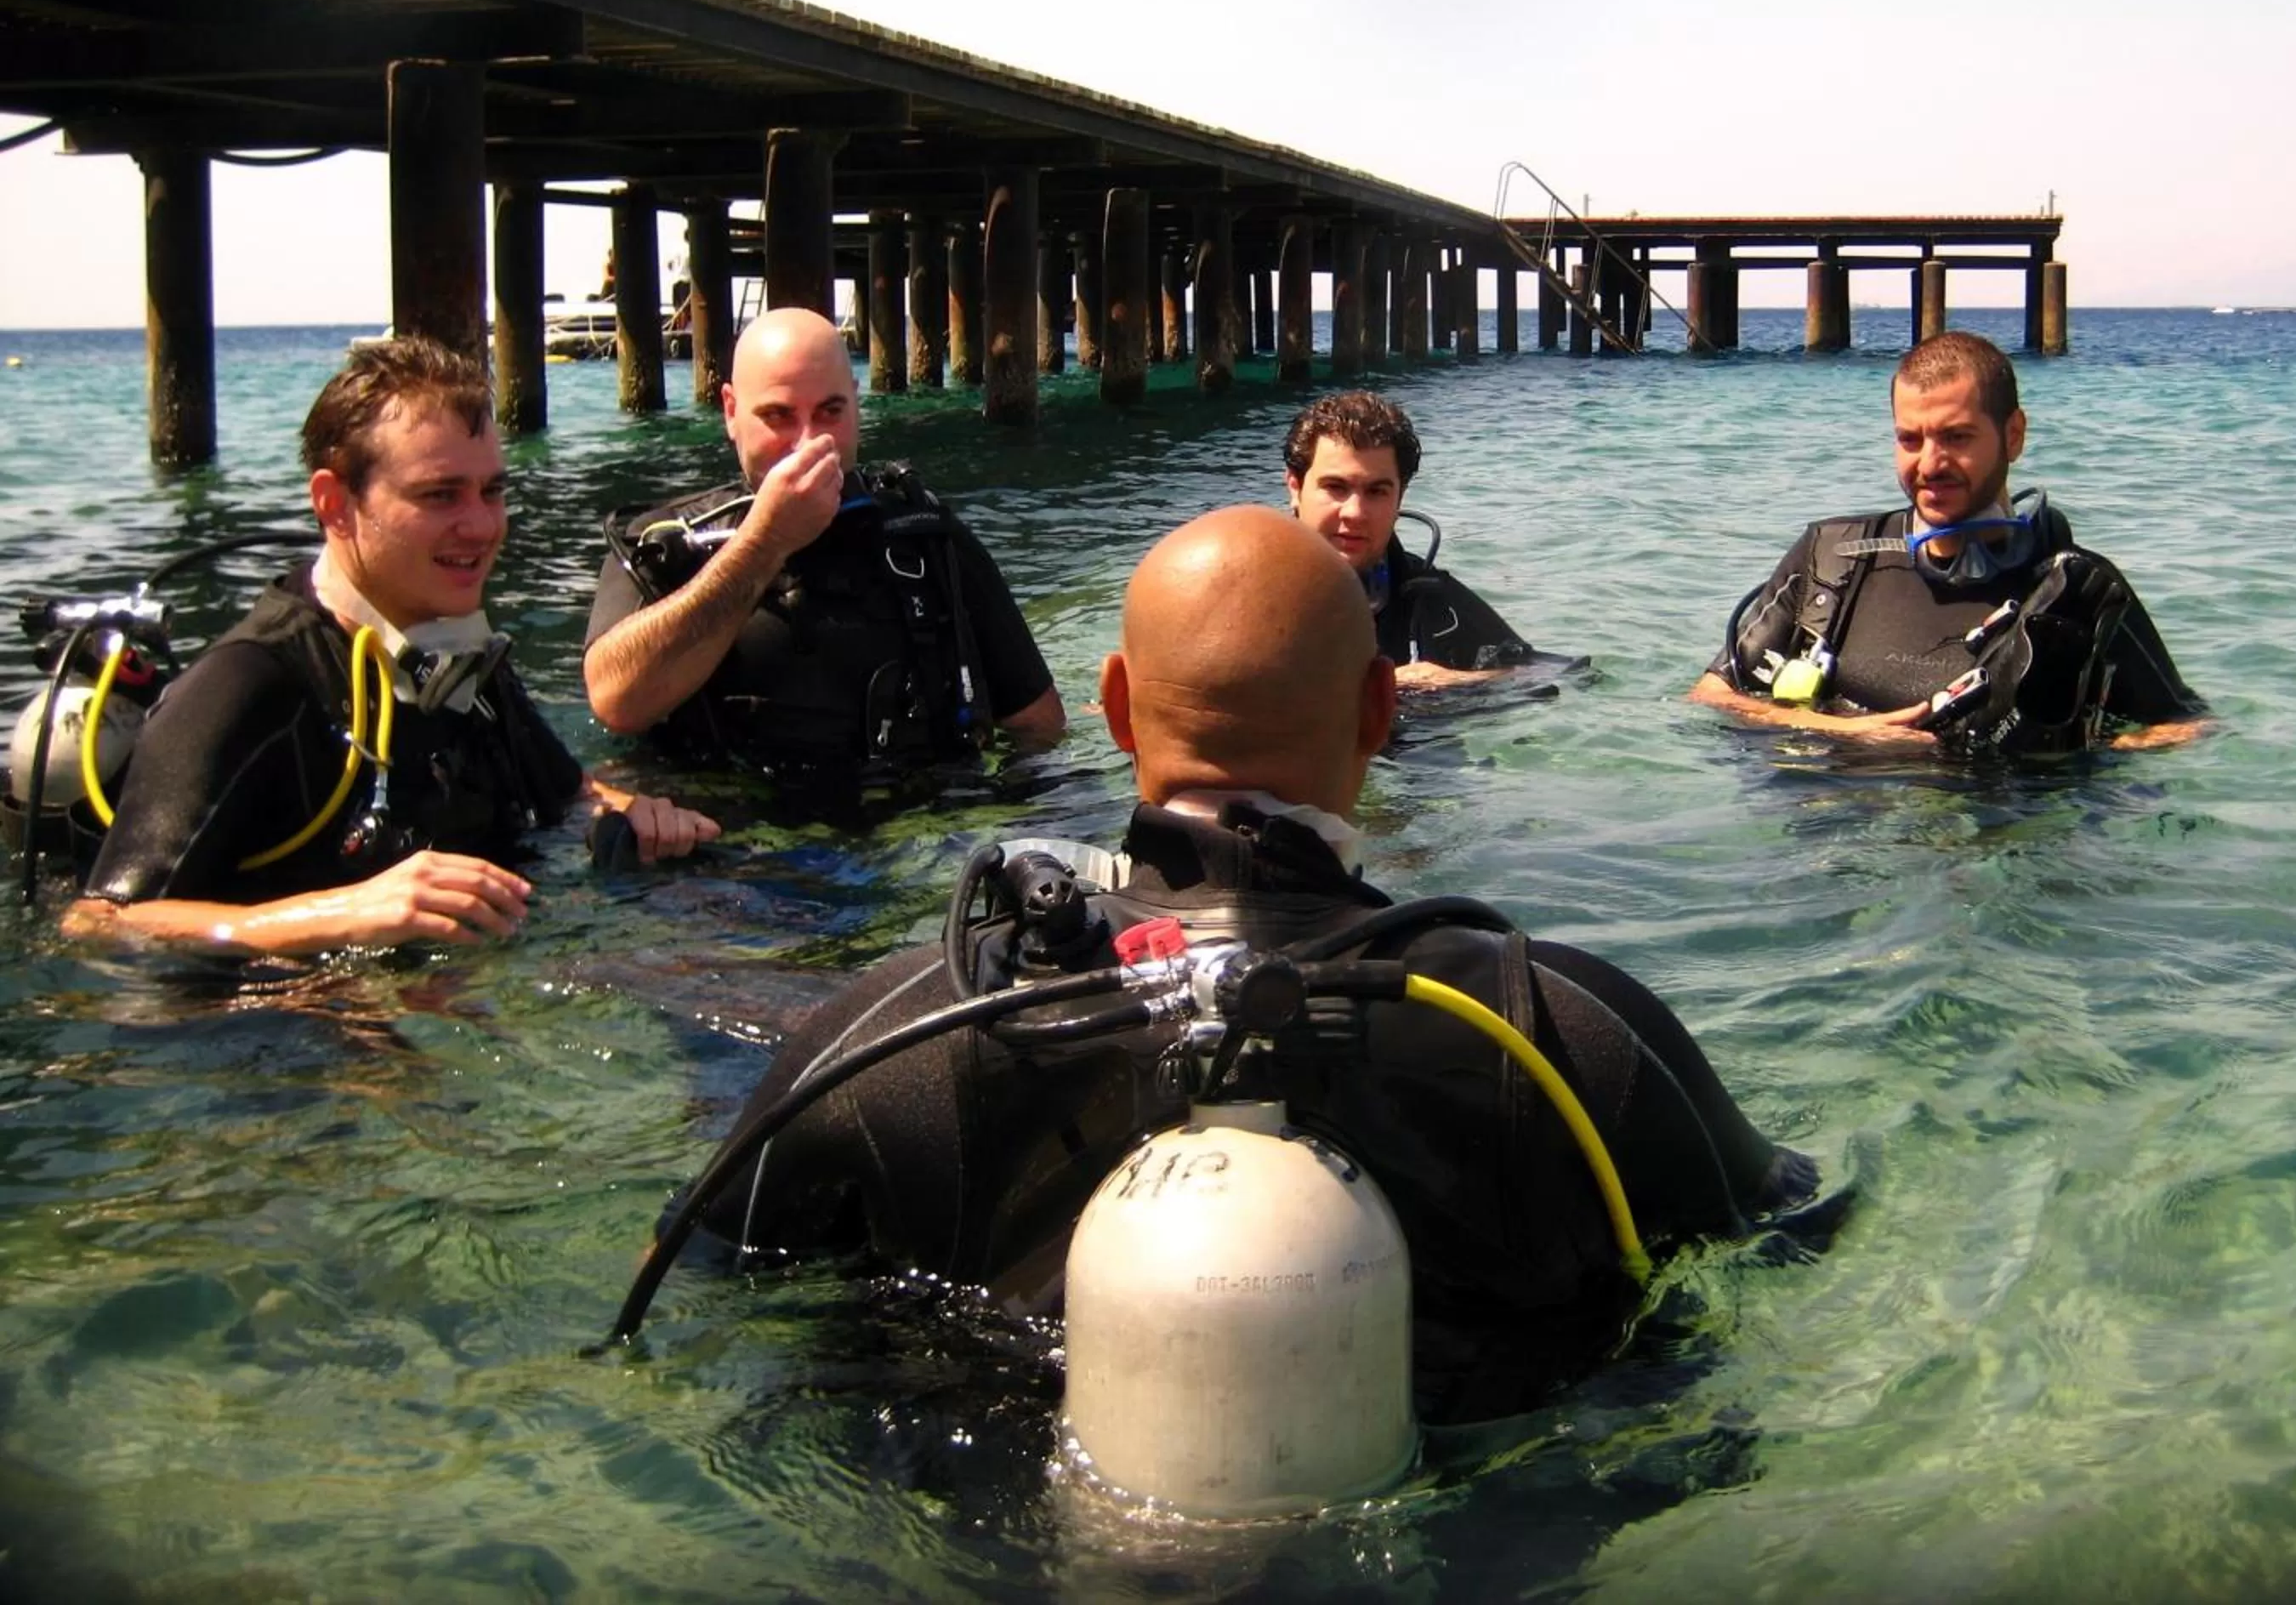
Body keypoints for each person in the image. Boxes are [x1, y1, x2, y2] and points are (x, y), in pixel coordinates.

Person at [668, 507, 1821, 1421]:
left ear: (1117, 709)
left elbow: (704, 1271)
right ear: (1380, 709)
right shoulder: (1561, 1027)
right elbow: (1784, 1231)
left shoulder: (912, 1023)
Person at [63, 339, 717, 959]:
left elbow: (572, 794)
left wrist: (642, 815)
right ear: (335, 504)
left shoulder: (460, 654)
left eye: (493, 490)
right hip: (301, 1034)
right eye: (439, 495)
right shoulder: (251, 683)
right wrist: (341, 914)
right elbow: (98, 924)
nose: (482, 525)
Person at [582, 308, 1066, 790]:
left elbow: (1038, 726)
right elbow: (616, 700)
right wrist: (765, 542)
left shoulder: (925, 536)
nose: (808, 444)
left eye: (829, 412)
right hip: (737, 849)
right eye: (778, 416)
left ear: (856, 406)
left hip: (917, 838)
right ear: (731, 411)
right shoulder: (669, 544)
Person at [1689, 331, 2205, 754]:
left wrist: (2095, 759)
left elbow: (2187, 725)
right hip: (1837, 850)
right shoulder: (1834, 556)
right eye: (1910, 440)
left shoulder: (2077, 591)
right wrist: (1848, 732)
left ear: (2013, 436)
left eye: (1956, 438)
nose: (1930, 465)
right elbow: (1711, 694)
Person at [1283, 390, 1536, 688]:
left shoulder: (1425, 596)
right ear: (1295, 488)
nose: (1355, 513)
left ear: (1399, 499)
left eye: (1377, 492)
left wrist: (1463, 681)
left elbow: (1562, 675)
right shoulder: (1246, 588)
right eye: (1335, 487)